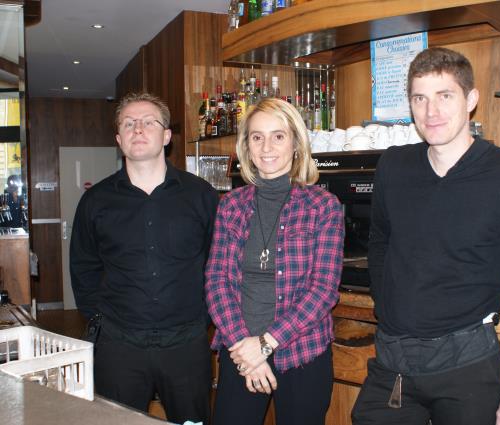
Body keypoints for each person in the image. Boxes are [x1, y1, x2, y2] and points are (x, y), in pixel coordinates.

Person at [351, 47, 500, 425]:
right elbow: (379, 242)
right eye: (420, 98)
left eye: (445, 96)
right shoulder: (394, 166)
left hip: (470, 367)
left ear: (471, 100)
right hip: (394, 363)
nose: (431, 112)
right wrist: (388, 305)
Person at [70, 92, 218, 424]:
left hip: (187, 344)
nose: (138, 129)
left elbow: (217, 262)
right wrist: (101, 319)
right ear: (119, 139)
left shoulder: (201, 195)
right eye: (129, 123)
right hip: (119, 346)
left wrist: (204, 315)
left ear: (166, 136)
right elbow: (84, 267)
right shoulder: (95, 201)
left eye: (149, 122)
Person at [205, 97, 344, 425]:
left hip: (301, 354)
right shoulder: (231, 206)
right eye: (257, 137)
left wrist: (266, 344)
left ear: (295, 143)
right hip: (240, 350)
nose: (267, 146)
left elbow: (323, 291)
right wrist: (244, 346)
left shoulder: (323, 206)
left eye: (278, 136)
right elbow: (216, 281)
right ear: (247, 146)